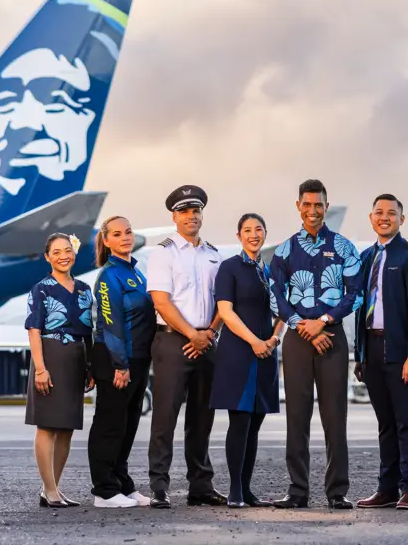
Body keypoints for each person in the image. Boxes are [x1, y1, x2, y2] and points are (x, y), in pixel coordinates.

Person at [269, 179, 364, 510]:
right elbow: (275, 294)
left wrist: (321, 322)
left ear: (326, 205)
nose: (313, 210)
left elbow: (356, 293)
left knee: (334, 417)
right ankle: (298, 491)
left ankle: (337, 492)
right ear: (298, 206)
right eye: (307, 204)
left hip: (332, 338)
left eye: (319, 204)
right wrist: (302, 326)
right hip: (297, 339)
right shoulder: (284, 250)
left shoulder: (344, 248)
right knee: (297, 417)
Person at [146, 185, 226, 509]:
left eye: (196, 210)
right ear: (174, 216)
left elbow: (224, 301)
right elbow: (161, 302)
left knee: (202, 417)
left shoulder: (214, 254)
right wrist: (192, 333)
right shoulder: (163, 253)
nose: (191, 216)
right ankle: (159, 486)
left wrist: (208, 334)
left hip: (207, 341)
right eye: (184, 211)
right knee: (165, 415)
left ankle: (200, 486)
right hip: (172, 341)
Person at [353, 194, 408, 510]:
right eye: (379, 212)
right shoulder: (365, 258)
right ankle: (387, 487)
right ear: (371, 218)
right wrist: (360, 355)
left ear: (402, 219)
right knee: (385, 422)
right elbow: (359, 308)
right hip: (372, 348)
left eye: (391, 213)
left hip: (402, 351)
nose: (384, 217)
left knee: (407, 421)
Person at [211, 213, 286, 508]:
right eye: (247, 230)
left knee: (255, 424)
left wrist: (274, 339)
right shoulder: (230, 268)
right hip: (239, 353)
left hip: (266, 353)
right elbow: (226, 312)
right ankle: (235, 491)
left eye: (258, 230)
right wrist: (255, 341)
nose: (253, 234)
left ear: (265, 233)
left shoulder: (269, 272)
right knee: (240, 421)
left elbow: (284, 311)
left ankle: (247, 488)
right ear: (238, 235)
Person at [88, 215, 157, 508]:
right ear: (106, 241)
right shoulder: (108, 276)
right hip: (115, 359)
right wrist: (120, 364)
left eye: (128, 232)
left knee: (129, 424)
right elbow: (111, 322)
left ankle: (122, 483)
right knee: (110, 423)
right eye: (117, 234)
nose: (125, 237)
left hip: (139, 358)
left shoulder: (138, 275)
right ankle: (104, 490)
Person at [25, 232, 95, 508]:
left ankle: (52, 488)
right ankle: (50, 490)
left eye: (67, 250)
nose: (63, 255)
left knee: (66, 427)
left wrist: (89, 365)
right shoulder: (41, 289)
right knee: (47, 425)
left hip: (77, 356)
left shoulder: (84, 289)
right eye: (56, 252)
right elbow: (34, 330)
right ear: (47, 257)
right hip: (50, 355)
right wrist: (40, 369)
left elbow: (88, 330)